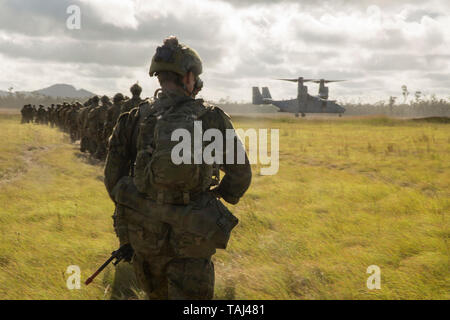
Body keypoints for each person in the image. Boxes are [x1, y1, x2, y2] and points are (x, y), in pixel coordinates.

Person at [104, 36, 252, 300]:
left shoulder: (133, 118)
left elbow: (113, 180)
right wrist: (218, 193)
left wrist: (143, 204)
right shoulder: (211, 118)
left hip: (145, 236)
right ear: (189, 77)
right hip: (193, 235)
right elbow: (240, 173)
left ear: (159, 77)